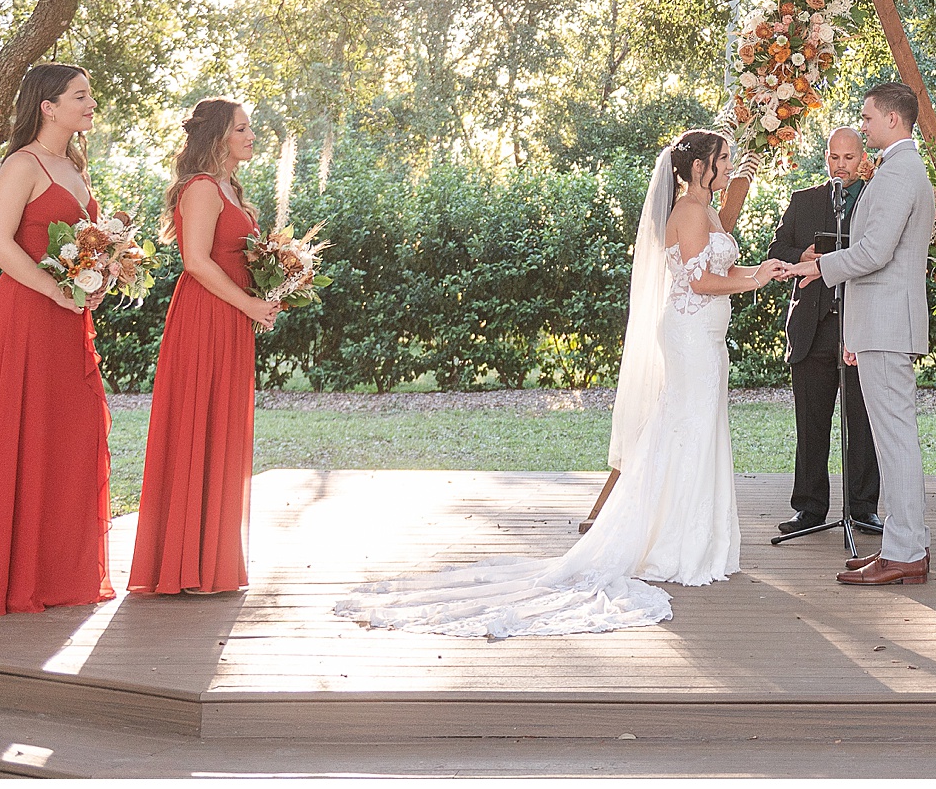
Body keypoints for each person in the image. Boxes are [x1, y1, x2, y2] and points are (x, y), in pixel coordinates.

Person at [335, 129, 789, 638]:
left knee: (697, 431)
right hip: (688, 334)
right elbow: (699, 282)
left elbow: (717, 264)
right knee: (688, 429)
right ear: (700, 168)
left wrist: (760, 268)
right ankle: (670, 545)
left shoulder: (706, 213)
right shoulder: (686, 212)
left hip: (706, 335)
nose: (728, 166)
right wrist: (756, 280)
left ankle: (691, 539)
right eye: (723, 160)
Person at [0, 64, 115, 617]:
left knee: (69, 437)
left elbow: (83, 247)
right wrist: (56, 292)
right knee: (18, 436)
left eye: (90, 93)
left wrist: (95, 281)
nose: (90, 103)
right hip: (22, 319)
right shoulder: (22, 164)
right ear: (47, 106)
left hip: (67, 322)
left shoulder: (74, 166)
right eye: (80, 95)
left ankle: (54, 572)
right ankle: (0, 580)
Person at [129, 99, 281, 596]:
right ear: (217, 136)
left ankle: (210, 559)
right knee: (199, 421)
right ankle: (184, 564)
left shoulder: (230, 188)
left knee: (222, 425)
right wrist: (248, 303)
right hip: (205, 318)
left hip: (232, 318)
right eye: (242, 128)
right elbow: (195, 261)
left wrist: (270, 288)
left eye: (250, 127)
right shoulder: (200, 189)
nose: (252, 135)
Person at [790, 82, 936, 587]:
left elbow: (875, 253)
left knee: (895, 442)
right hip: (879, 324)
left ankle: (905, 552)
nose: (864, 123)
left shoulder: (900, 172)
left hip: (887, 325)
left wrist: (816, 269)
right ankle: (902, 545)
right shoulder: (897, 169)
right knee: (893, 439)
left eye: (868, 118)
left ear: (893, 120)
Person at [768, 126, 882, 536]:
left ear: (862, 157)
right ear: (826, 158)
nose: (841, 165)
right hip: (811, 329)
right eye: (834, 157)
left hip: (861, 328)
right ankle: (810, 509)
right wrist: (803, 255)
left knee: (862, 422)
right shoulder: (804, 202)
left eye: (849, 158)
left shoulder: (876, 198)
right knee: (811, 424)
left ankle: (864, 507)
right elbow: (775, 250)